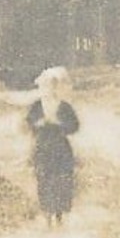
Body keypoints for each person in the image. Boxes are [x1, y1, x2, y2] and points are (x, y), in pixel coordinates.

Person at [27, 66, 80, 227]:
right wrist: (39, 124)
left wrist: (61, 124)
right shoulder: (37, 106)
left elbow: (75, 126)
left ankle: (59, 216)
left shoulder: (64, 106)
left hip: (60, 149)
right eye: (45, 85)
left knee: (61, 182)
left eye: (52, 85)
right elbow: (29, 124)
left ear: (57, 87)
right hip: (43, 148)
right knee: (44, 180)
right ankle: (47, 216)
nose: (49, 89)